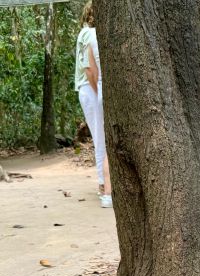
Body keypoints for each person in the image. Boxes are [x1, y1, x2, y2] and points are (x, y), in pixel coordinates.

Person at [75, 1, 111, 208]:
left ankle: (103, 183)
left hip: (87, 87)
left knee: (100, 136)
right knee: (100, 137)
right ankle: (103, 184)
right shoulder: (92, 34)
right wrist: (99, 91)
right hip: (91, 86)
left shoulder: (84, 32)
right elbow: (90, 70)